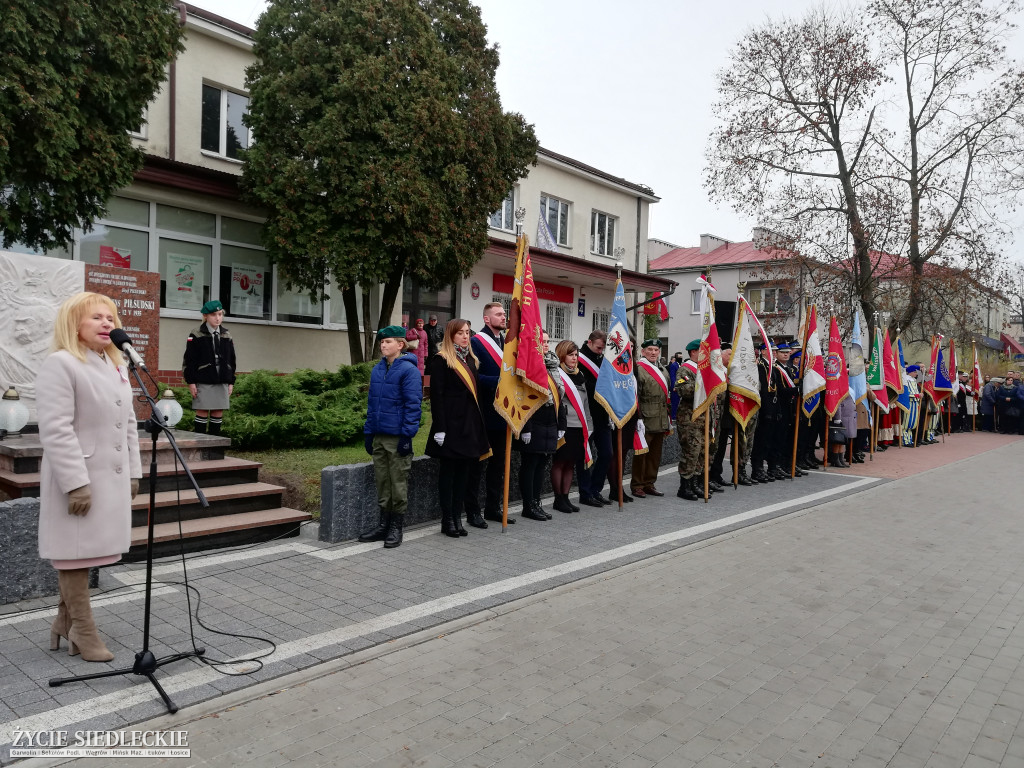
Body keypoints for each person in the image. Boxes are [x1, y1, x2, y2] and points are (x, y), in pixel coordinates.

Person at [36, 292, 142, 661]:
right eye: (96, 317)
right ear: (74, 323)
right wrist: (75, 482)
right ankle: (83, 630)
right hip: (78, 477)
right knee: (74, 555)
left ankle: (64, 621)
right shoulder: (61, 363)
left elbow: (128, 422)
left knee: (90, 552)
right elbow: (55, 429)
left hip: (109, 476)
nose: (107, 324)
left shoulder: (116, 364)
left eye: (110, 318)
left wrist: (133, 471)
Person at [357, 326, 423, 549]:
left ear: (400, 345)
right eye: (382, 342)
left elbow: (413, 405)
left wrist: (407, 436)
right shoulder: (378, 369)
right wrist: (369, 432)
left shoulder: (408, 371)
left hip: (396, 437)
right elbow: (372, 404)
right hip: (378, 435)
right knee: (382, 481)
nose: (383, 345)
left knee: (397, 482)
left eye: (388, 342)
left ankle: (396, 526)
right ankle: (383, 525)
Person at [426, 320, 491, 537]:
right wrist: (440, 428)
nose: (465, 336)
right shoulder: (441, 360)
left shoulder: (472, 360)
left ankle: (457, 516)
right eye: (460, 333)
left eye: (467, 332)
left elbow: (477, 397)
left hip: (469, 426)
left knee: (464, 473)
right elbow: (438, 397)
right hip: (451, 425)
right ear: (450, 335)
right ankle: (448, 519)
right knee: (449, 474)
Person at [465, 303, 511, 526]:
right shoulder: (476, 342)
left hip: (503, 415)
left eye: (504, 314)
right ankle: (473, 511)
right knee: (478, 466)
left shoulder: (506, 342)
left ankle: (494, 508)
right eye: (499, 314)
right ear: (486, 318)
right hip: (484, 414)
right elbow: (475, 377)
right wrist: (500, 382)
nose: (504, 317)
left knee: (498, 466)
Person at [518, 331, 567, 518]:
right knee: (530, 465)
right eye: (542, 342)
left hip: (550, 421)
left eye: (547, 342)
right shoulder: (529, 365)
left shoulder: (553, 365)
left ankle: (536, 503)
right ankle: (527, 505)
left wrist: (561, 423)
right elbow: (524, 397)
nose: (545, 345)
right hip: (534, 420)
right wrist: (526, 427)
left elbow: (559, 398)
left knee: (541, 465)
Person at [552, 340, 595, 509]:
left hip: (580, 426)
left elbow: (585, 404)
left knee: (571, 463)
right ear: (562, 355)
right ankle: (558, 499)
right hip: (564, 427)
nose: (574, 358)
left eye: (576, 355)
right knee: (560, 462)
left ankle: (566, 497)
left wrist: (589, 426)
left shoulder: (580, 375)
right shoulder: (556, 374)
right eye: (570, 354)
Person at [183, 299, 236, 435]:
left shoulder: (226, 334)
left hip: (222, 378)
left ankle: (214, 448)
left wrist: (231, 381)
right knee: (202, 409)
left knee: (218, 411)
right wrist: (191, 381)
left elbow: (231, 359)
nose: (217, 318)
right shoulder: (195, 334)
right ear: (205, 316)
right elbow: (189, 359)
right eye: (214, 315)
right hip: (204, 379)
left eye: (220, 314)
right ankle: (200, 446)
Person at [577, 330, 613, 505]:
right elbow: (584, 384)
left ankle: (595, 489)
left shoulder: (601, 359)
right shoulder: (580, 359)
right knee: (586, 455)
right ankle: (585, 493)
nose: (601, 351)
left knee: (607, 453)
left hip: (602, 414)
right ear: (590, 342)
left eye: (603, 348)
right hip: (586, 414)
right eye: (599, 347)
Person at [631, 339, 672, 497]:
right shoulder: (639, 369)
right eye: (650, 349)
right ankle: (637, 485)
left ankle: (650, 483)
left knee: (655, 455)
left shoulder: (663, 369)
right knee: (641, 454)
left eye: (656, 350)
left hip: (661, 417)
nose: (653, 352)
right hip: (645, 418)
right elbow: (637, 395)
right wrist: (638, 417)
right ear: (643, 352)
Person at [674, 339, 707, 500]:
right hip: (689, 417)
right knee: (691, 451)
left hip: (703, 417)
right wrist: (702, 384)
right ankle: (685, 486)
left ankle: (695, 483)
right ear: (693, 352)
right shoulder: (685, 370)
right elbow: (683, 390)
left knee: (701, 451)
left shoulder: (703, 369)